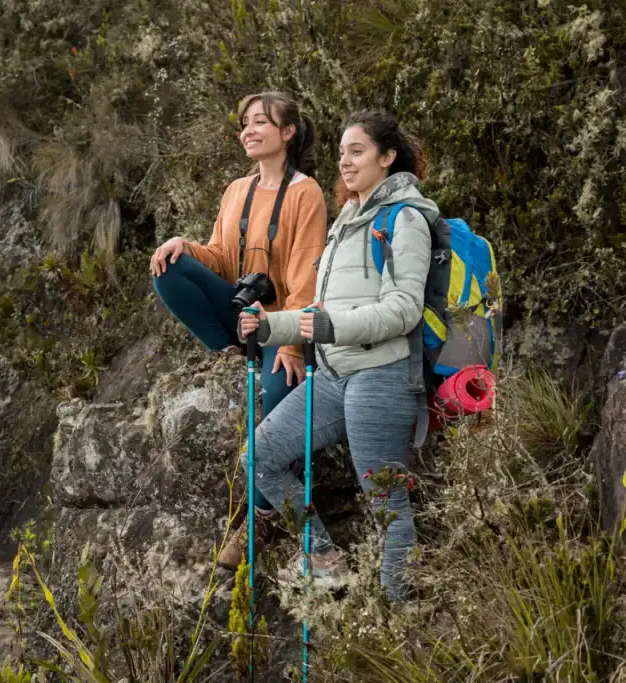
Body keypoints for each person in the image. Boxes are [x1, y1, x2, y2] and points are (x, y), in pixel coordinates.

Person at [238, 110, 435, 600]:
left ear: (387, 158)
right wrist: (267, 327)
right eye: (341, 152)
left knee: (386, 501)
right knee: (259, 455)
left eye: (357, 152)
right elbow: (317, 312)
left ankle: (398, 609)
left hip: (383, 375)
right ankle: (323, 556)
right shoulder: (346, 221)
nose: (345, 162)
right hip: (333, 373)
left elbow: (405, 308)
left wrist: (333, 327)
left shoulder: (405, 218)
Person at [150, 92, 327, 569]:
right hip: (242, 317)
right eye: (244, 124)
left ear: (288, 132)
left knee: (271, 410)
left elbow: (307, 274)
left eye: (260, 123)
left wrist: (291, 341)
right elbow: (219, 259)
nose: (248, 131)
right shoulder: (236, 190)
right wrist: (181, 244)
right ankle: (227, 349)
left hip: (280, 323)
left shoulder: (305, 192)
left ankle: (262, 514)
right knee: (170, 269)